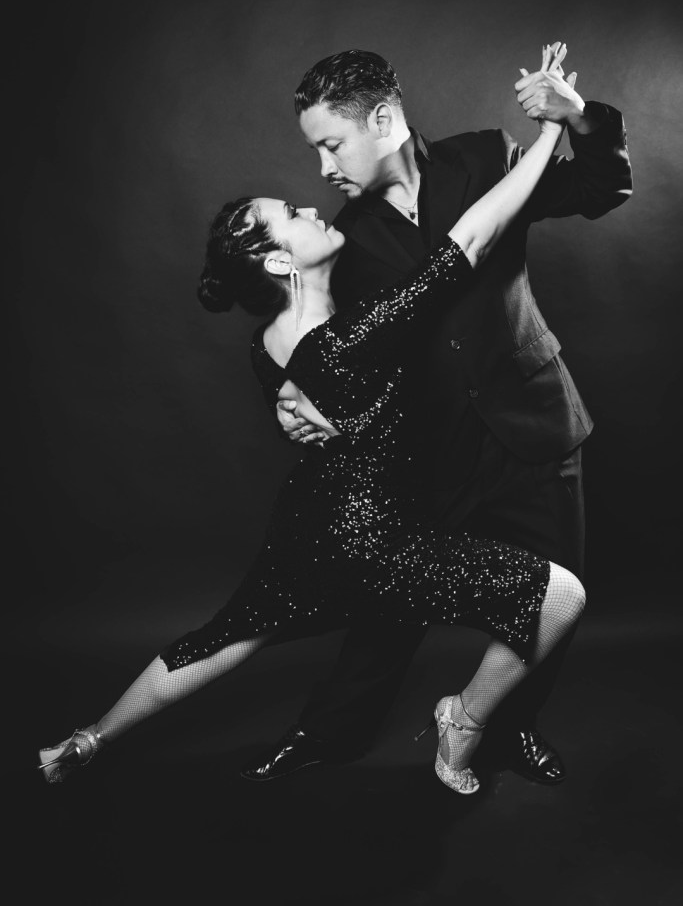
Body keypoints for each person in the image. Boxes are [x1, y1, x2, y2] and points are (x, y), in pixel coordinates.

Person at [39, 51, 585, 796]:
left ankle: (85, 740)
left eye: (326, 153)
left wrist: (292, 404)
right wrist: (551, 131)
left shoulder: (274, 343)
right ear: (276, 264)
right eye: (290, 216)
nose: (312, 201)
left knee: (225, 635)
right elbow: (472, 240)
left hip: (307, 524)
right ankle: (460, 721)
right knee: (559, 596)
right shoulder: (350, 333)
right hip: (370, 532)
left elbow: (295, 382)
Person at [245, 42, 632, 785]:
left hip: (535, 418)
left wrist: (577, 116)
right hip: (431, 445)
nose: (322, 168)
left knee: (554, 595)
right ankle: (329, 733)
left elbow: (599, 187)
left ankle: (509, 729)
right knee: (389, 607)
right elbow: (317, 334)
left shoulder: (485, 157)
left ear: (380, 119)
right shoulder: (343, 236)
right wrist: (287, 394)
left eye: (332, 144)